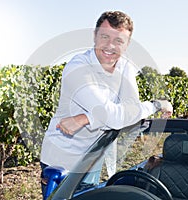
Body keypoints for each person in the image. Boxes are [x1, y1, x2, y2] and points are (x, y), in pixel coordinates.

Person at [40, 10, 173, 196]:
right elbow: (114, 117)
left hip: (94, 155)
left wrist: (85, 118)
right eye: (104, 37)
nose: (110, 46)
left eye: (119, 40)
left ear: (127, 45)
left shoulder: (125, 67)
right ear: (94, 36)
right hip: (62, 159)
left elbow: (130, 113)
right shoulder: (78, 68)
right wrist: (156, 105)